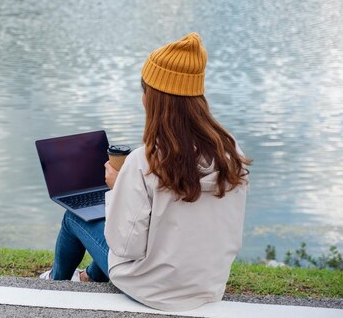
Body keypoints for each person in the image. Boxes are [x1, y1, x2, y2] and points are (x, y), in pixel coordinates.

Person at [40, 33, 251, 312]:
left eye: (143, 90)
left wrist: (118, 189)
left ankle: (54, 282)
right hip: (208, 285)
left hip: (153, 289)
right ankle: (88, 276)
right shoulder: (230, 152)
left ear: (153, 98)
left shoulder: (147, 161)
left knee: (74, 219)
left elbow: (125, 246)